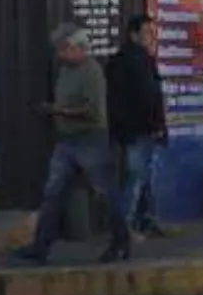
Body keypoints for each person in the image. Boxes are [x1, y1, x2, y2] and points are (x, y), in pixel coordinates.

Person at [14, 26, 132, 264]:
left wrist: (58, 110)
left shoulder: (92, 72)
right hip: (67, 140)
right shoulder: (65, 71)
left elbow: (92, 111)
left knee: (105, 194)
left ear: (78, 48)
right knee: (52, 193)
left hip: (90, 139)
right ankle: (41, 245)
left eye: (64, 49)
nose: (60, 54)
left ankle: (121, 242)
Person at [107, 15, 168, 240]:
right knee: (136, 178)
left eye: (154, 32)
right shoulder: (138, 61)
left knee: (146, 177)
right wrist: (156, 125)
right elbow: (148, 97)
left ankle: (147, 220)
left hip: (132, 130)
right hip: (139, 129)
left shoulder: (129, 60)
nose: (152, 37)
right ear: (134, 35)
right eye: (147, 33)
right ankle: (126, 227)